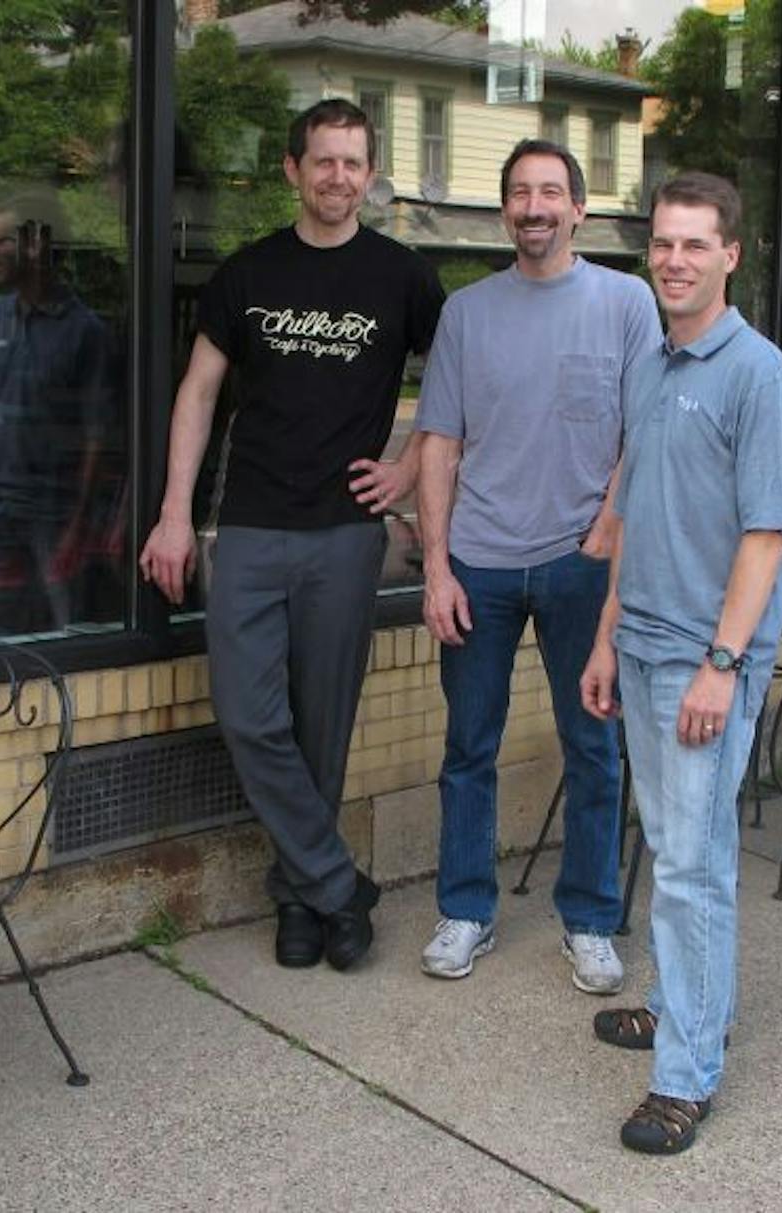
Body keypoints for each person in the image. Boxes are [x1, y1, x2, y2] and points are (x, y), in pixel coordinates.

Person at [139, 99, 444, 972]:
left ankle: (303, 902)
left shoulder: (403, 277)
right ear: (292, 170)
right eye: (323, 161)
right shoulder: (248, 274)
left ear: (371, 173)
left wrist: (408, 468)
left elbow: (458, 389)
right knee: (247, 714)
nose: (338, 177)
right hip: (246, 527)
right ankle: (341, 882)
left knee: (322, 726)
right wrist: (173, 513)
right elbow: (197, 394)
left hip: (346, 533)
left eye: (353, 163)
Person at [578, 172, 782, 1155]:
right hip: (640, 646)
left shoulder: (760, 376)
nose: (673, 260)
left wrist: (722, 662)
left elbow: (766, 537)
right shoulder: (653, 363)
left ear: (730, 256)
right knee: (669, 846)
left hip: (702, 660)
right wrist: (604, 634)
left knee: (692, 864)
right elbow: (632, 513)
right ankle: (682, 1004)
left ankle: (684, 1076)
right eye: (662, 243)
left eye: (693, 244)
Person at [412, 140, 659, 991]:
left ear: (579, 209)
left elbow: (643, 435)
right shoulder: (467, 312)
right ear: (505, 209)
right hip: (477, 563)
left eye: (550, 191)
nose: (534, 206)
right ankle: (467, 910)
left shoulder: (626, 303)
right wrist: (436, 566)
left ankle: (590, 919)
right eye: (520, 192)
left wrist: (606, 533)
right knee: (466, 747)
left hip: (579, 566)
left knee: (594, 746)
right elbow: (438, 440)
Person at [0, 197, 122, 638]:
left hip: (55, 513)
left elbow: (95, 435)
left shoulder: (86, 333)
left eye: (2, 241)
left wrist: (78, 523)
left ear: (36, 244)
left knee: (67, 630)